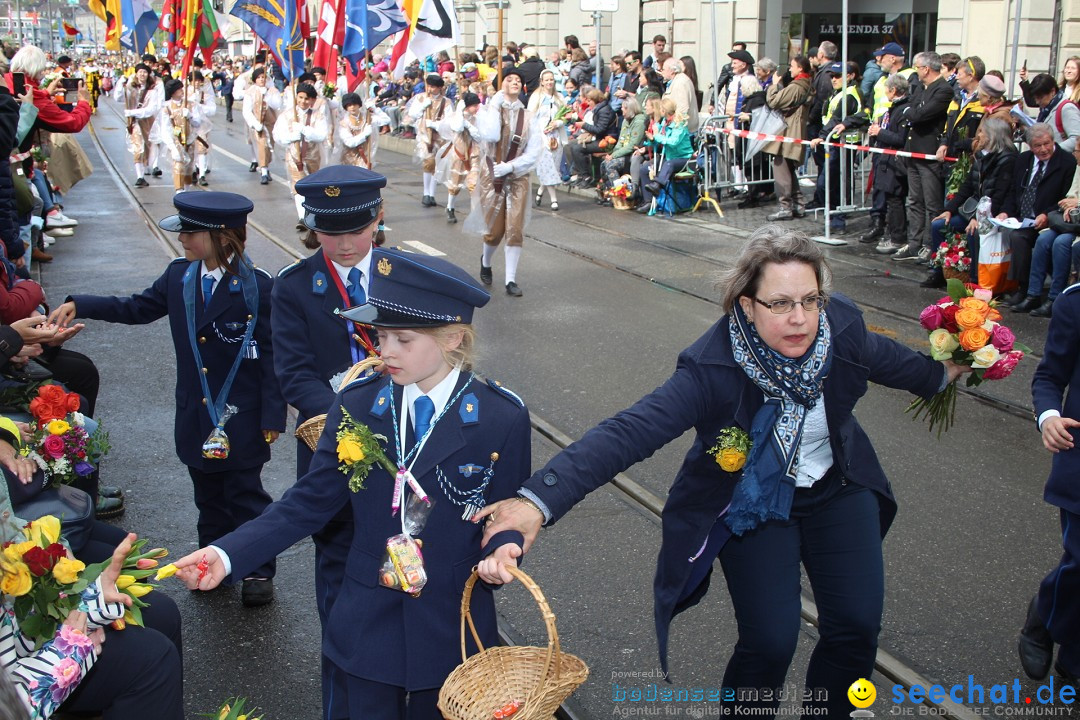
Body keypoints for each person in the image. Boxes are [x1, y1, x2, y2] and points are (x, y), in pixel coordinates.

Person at [475, 225, 967, 718]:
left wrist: (955, 363)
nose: (799, 319)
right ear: (746, 305)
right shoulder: (713, 368)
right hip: (752, 502)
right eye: (779, 304)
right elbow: (628, 433)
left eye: (809, 300)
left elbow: (896, 364)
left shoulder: (843, 329)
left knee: (857, 626)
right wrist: (537, 501)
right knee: (771, 641)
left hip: (837, 489)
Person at [175, 247, 531, 720]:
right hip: (365, 619)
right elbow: (308, 501)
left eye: (403, 340)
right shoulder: (360, 404)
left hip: (453, 625)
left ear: (453, 338)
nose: (385, 353)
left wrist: (504, 549)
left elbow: (506, 510)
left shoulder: (500, 417)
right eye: (381, 336)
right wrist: (227, 553)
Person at [49, 192, 287, 608]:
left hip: (241, 416)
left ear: (221, 237)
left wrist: (272, 415)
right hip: (197, 415)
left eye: (191, 233)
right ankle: (207, 562)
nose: (183, 241)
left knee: (246, 496)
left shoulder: (259, 288)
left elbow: (271, 358)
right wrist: (79, 303)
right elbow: (137, 307)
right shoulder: (180, 278)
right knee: (208, 497)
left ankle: (256, 568)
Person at [272, 165, 386, 720]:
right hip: (331, 452)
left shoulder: (404, 276)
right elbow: (293, 374)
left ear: (378, 218)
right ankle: (341, 698)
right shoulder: (292, 287)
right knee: (338, 575)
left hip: (405, 452)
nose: (342, 243)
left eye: (355, 229)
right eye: (328, 231)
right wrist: (349, 423)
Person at [1023, 284, 1080, 689]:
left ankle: (1073, 661)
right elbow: (1049, 375)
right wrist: (1049, 416)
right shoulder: (1075, 303)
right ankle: (1045, 613)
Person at [469, 69, 542, 297]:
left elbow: (535, 150)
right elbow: (490, 136)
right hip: (491, 176)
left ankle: (510, 280)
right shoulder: (489, 112)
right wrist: (495, 104)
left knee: (514, 229)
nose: (515, 83)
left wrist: (511, 166)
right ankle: (486, 262)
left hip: (517, 176)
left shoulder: (529, 116)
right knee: (494, 230)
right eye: (509, 79)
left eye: (518, 80)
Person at [924, 118, 1017, 288]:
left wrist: (979, 218)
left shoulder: (1007, 160)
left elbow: (998, 196)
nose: (978, 136)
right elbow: (967, 187)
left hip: (994, 214)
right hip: (976, 210)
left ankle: (975, 281)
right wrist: (949, 210)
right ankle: (938, 272)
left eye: (982, 132)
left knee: (974, 232)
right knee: (938, 225)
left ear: (993, 136)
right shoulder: (982, 156)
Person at [999, 124, 1077, 303]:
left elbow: (1064, 197)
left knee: (1020, 237)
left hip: (1047, 218)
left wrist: (1046, 214)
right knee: (996, 229)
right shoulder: (1024, 159)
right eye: (1037, 146)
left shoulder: (1066, 162)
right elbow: (1014, 191)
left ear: (1053, 140)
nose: (1043, 149)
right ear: (1029, 146)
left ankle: (1025, 288)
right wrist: (1004, 212)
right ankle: (997, 285)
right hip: (1021, 216)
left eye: (1047, 143)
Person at [893, 52, 954, 263]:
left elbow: (919, 114)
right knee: (914, 201)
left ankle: (930, 244)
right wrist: (913, 110)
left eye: (918, 67)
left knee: (931, 203)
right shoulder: (920, 88)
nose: (916, 71)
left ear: (926, 69)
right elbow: (911, 108)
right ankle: (914, 242)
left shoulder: (944, 89)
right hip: (914, 150)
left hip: (929, 153)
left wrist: (912, 111)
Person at [1011, 143, 1080, 317]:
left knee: (1061, 242)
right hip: (1070, 219)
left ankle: (1055, 297)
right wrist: (1069, 205)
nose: (1074, 154)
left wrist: (1077, 203)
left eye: (1077, 150)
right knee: (1044, 240)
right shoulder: (1078, 168)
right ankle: (1033, 294)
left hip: (1076, 225)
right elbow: (1071, 194)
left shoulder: (1069, 163)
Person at [274, 82, 329, 231]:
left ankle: (316, 214)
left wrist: (304, 129)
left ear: (312, 100)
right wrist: (292, 136)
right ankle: (303, 217)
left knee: (314, 185)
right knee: (298, 185)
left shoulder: (318, 115)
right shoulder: (287, 115)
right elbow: (278, 135)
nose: (303, 101)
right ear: (296, 97)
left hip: (314, 155)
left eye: (307, 99)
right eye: (301, 97)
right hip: (294, 154)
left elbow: (321, 134)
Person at [764, 56, 813, 221]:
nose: (789, 69)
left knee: (782, 170)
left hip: (789, 133)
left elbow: (773, 101)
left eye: (792, 66)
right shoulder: (804, 85)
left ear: (800, 68)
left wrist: (774, 85)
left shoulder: (797, 86)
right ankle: (798, 204)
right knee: (789, 170)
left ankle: (785, 207)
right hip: (793, 132)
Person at [635, 98, 692, 214]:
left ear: (665, 110)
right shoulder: (664, 123)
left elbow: (673, 142)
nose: (659, 111)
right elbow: (658, 141)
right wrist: (650, 140)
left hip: (683, 158)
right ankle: (648, 201)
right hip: (669, 157)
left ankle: (657, 184)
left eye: (661, 109)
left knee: (669, 164)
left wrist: (656, 136)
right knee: (645, 168)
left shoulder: (679, 124)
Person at [114, 63, 162, 187]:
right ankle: (139, 177)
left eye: (145, 72)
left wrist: (133, 112)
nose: (142, 74)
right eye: (140, 72)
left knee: (148, 148)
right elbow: (118, 98)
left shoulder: (152, 90)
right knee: (138, 148)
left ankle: (147, 168)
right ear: (136, 73)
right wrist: (121, 83)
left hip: (147, 122)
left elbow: (152, 108)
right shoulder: (130, 87)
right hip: (133, 123)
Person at [527, 71, 566, 210]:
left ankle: (540, 191)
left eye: (552, 80)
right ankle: (554, 200)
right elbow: (530, 118)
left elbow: (566, 115)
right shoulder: (536, 97)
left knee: (554, 169)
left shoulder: (559, 97)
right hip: (541, 138)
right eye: (547, 80)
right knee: (547, 167)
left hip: (555, 136)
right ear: (541, 81)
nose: (549, 82)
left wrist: (558, 123)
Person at [411, 74, 450, 208]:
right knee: (428, 163)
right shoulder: (420, 98)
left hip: (440, 137)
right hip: (424, 136)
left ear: (440, 88)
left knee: (437, 165)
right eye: (429, 86)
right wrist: (423, 106)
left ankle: (432, 194)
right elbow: (412, 114)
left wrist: (434, 124)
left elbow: (449, 121)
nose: (430, 89)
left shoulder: (446, 102)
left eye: (433, 87)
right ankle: (426, 193)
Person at [566, 88, 616, 189]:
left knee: (577, 148)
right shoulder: (599, 109)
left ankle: (586, 176)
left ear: (596, 100)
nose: (587, 103)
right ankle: (579, 175)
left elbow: (600, 130)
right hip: (598, 139)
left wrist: (583, 125)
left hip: (605, 142)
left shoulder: (604, 110)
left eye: (589, 101)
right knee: (571, 145)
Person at [242, 67, 282, 185]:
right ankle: (263, 171)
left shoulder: (272, 90)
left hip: (271, 123)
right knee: (262, 145)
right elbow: (246, 111)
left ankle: (266, 167)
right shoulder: (250, 92)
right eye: (259, 77)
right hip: (259, 123)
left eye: (263, 77)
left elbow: (277, 105)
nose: (261, 80)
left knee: (270, 147)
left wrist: (268, 97)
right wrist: (254, 124)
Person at [158, 78, 197, 194]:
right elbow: (164, 129)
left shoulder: (190, 104)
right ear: (173, 92)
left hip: (189, 141)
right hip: (176, 141)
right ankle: (179, 193)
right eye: (179, 89)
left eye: (182, 88)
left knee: (188, 169)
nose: (182, 91)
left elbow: (198, 123)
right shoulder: (166, 107)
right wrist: (172, 147)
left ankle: (187, 193)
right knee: (178, 167)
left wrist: (190, 116)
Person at [339, 92, 390, 170]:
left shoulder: (367, 118)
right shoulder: (344, 123)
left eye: (354, 104)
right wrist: (365, 133)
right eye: (349, 105)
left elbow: (386, 120)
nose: (352, 107)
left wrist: (374, 108)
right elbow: (350, 142)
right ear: (346, 107)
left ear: (359, 105)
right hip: (349, 159)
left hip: (365, 158)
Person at [189, 70, 217, 185]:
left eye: (198, 81)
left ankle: (202, 174)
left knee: (202, 148)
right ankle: (192, 170)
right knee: (190, 149)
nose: (196, 83)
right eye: (194, 80)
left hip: (201, 126)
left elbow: (212, 110)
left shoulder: (206, 95)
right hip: (189, 125)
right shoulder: (185, 94)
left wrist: (199, 107)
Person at [660, 57, 699, 133]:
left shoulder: (681, 83)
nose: (662, 72)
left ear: (672, 71)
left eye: (663, 69)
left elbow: (682, 109)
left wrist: (675, 131)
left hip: (681, 133)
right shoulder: (676, 81)